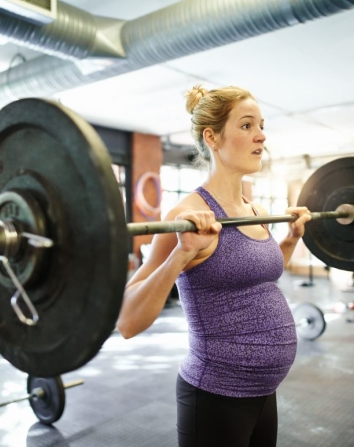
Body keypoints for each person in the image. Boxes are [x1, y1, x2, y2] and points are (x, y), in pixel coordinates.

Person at [117, 85, 312, 446]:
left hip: (263, 393)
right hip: (215, 395)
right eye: (246, 126)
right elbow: (128, 322)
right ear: (213, 137)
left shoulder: (254, 210)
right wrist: (180, 255)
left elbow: (254, 278)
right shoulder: (184, 216)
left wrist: (290, 240)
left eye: (262, 125)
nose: (261, 135)